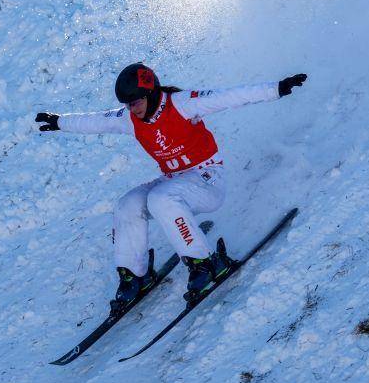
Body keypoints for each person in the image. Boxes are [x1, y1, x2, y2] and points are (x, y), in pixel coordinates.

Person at [35, 63, 307, 309]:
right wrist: (60, 121)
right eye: (128, 104)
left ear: (151, 93)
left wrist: (277, 89)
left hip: (206, 180)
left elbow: (230, 97)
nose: (133, 109)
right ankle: (134, 275)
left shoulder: (182, 104)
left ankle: (205, 263)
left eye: (136, 101)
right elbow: (96, 120)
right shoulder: (130, 119)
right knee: (128, 204)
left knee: (160, 198)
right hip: (175, 181)